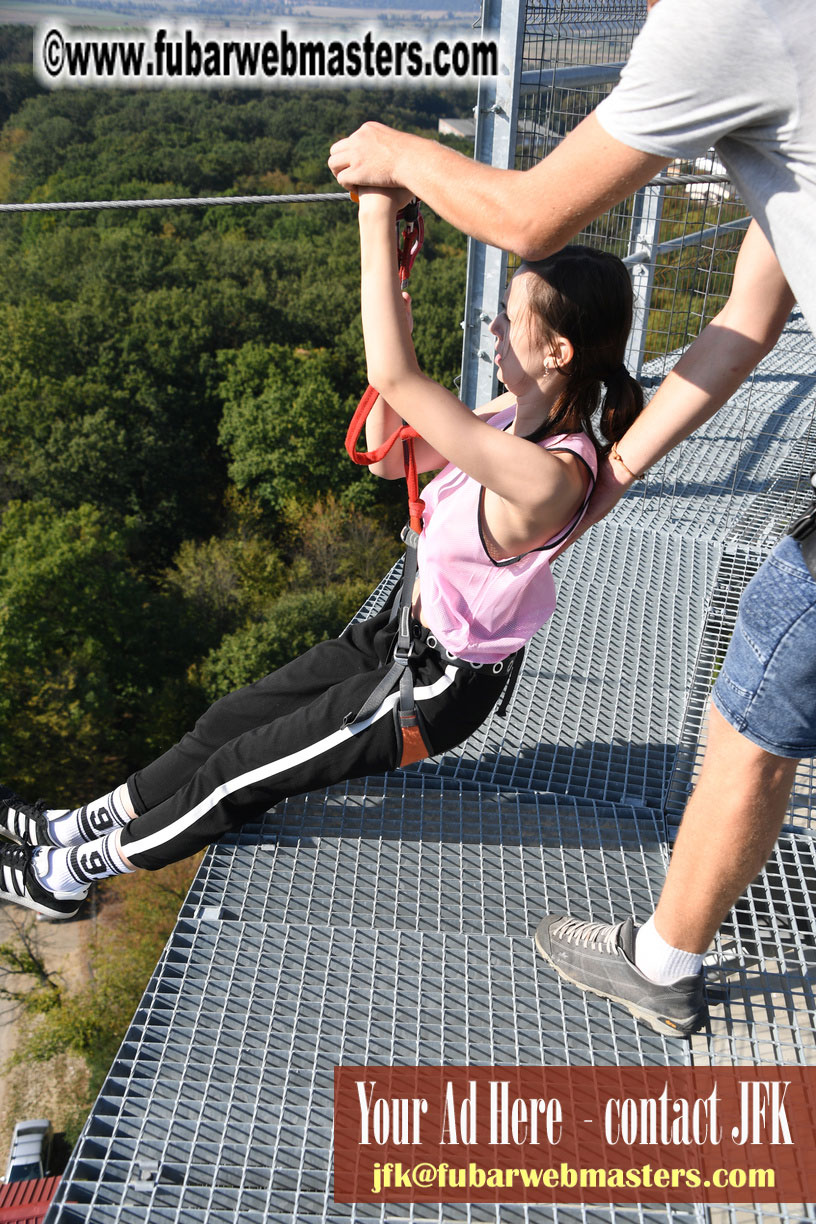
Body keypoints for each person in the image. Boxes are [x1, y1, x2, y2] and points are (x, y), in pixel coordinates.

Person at [329, 0, 816, 1037]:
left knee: (758, 707)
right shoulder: (579, 460)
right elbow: (746, 320)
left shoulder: (727, 16)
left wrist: (392, 166)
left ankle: (665, 963)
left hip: (439, 681)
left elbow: (526, 221)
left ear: (556, 352)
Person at [0, 196, 647, 954]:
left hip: (431, 688)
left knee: (240, 772)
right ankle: (78, 822)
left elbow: (398, 378)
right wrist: (395, 336)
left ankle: (68, 873)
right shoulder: (513, 415)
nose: (492, 329)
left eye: (508, 318)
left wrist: (378, 218)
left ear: (559, 351)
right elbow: (393, 454)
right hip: (395, 639)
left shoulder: (551, 477)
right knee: (227, 721)